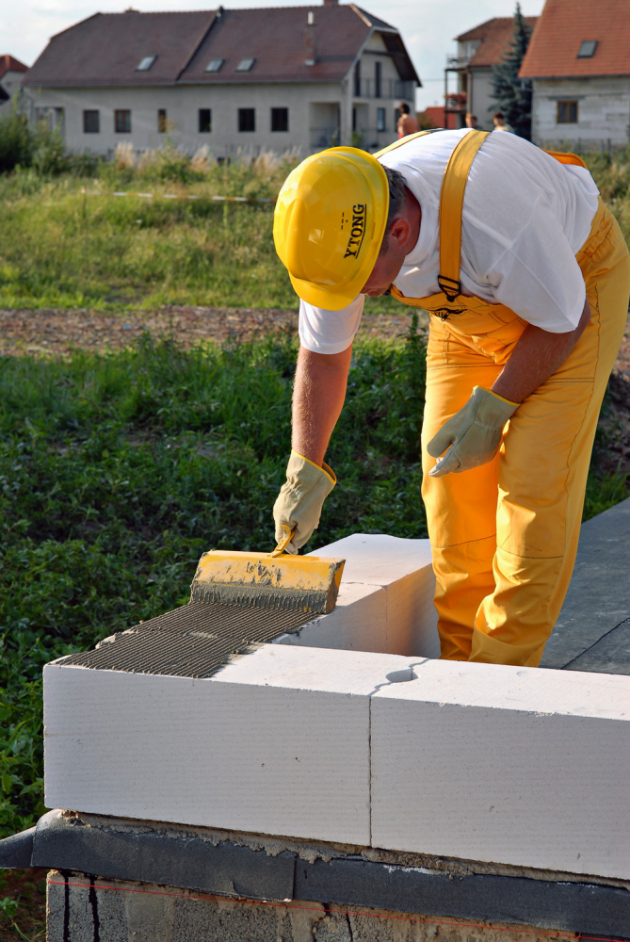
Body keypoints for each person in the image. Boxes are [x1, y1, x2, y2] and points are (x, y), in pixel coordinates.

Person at [271, 128, 630, 667]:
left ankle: (499, 681)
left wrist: (494, 410)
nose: (350, 297)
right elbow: (323, 356)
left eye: (358, 283)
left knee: (534, 491)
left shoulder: (493, 215)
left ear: (400, 230)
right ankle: (459, 669)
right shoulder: (339, 221)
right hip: (471, 312)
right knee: (450, 490)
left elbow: (563, 320)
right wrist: (306, 465)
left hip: (571, 293)